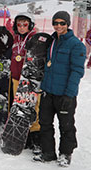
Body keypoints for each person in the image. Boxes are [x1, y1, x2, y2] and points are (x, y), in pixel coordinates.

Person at [33, 11, 86, 167]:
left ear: (68, 24)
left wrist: (69, 95)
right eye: (56, 23)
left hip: (64, 94)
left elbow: (77, 71)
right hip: (48, 91)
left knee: (66, 126)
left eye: (62, 23)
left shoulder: (76, 44)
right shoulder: (51, 42)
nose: (58, 26)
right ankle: (48, 152)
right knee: (45, 123)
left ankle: (65, 154)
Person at [9, 12, 41, 152]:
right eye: (19, 25)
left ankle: (35, 136)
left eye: (25, 24)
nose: (22, 27)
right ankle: (23, 135)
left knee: (33, 107)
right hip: (16, 78)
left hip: (29, 80)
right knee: (19, 107)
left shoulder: (35, 39)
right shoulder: (16, 39)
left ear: (31, 25)